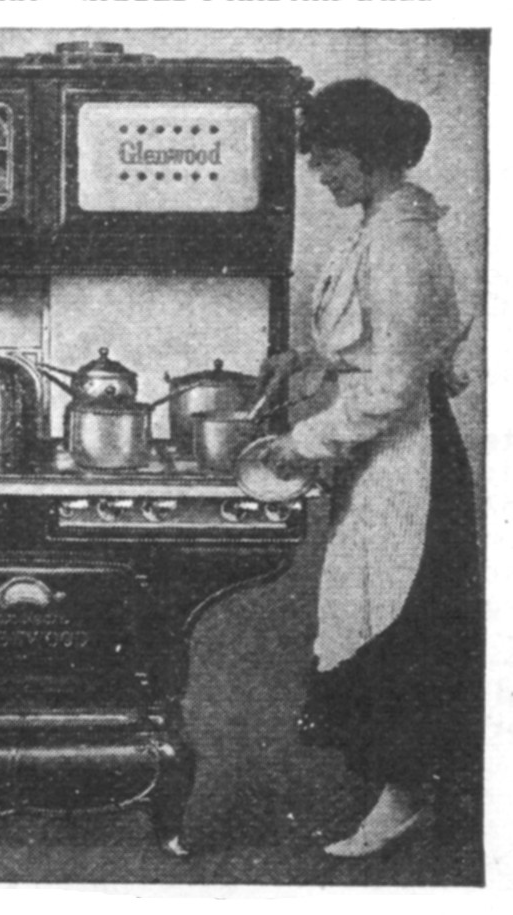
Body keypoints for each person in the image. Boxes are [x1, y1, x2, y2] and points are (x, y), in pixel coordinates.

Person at [257, 79, 483, 857]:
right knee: (365, 609)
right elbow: (374, 343)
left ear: (371, 151)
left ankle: (407, 796)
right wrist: (309, 360)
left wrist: (306, 441)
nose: (320, 173)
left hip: (409, 457)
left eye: (330, 158)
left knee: (401, 621)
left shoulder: (401, 240)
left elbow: (395, 382)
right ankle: (399, 790)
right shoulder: (376, 228)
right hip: (380, 456)